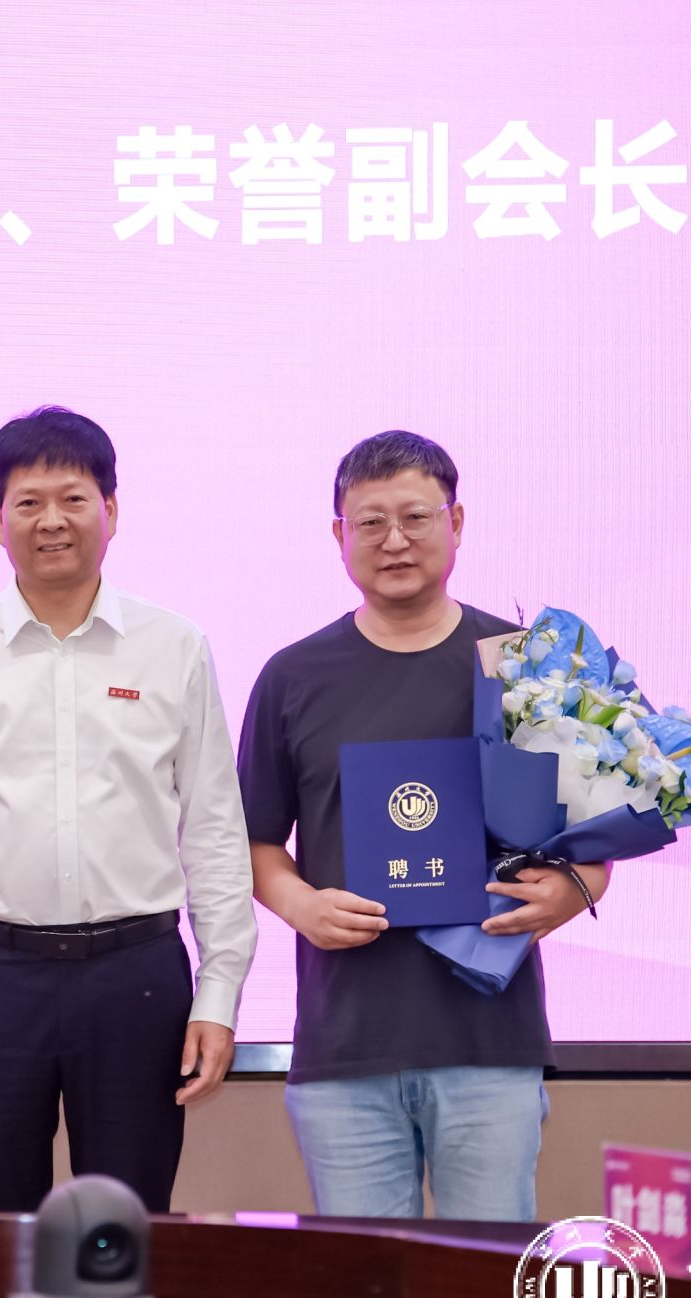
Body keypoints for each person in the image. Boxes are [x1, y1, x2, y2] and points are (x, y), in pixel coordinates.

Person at [0, 405, 257, 1214]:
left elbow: (214, 829)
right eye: (29, 502)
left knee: (127, 1226)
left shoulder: (174, 646)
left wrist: (219, 993)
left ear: (111, 509)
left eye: (74, 498)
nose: (52, 520)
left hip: (136, 977)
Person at [236, 431, 609, 1221]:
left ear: (457, 521)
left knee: (485, 1280)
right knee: (363, 1286)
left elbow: (598, 831)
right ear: (339, 534)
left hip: (488, 1040)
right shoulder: (292, 676)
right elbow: (255, 842)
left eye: (415, 517)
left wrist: (577, 889)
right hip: (346, 1044)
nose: (394, 540)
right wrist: (302, 905)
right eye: (370, 522)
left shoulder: (523, 667)